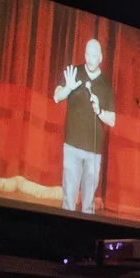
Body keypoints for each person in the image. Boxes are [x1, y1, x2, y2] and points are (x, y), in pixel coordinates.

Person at [52, 36, 116, 214]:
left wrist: (99, 111)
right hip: (72, 146)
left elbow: (112, 120)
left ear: (101, 58)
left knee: (88, 206)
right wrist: (69, 88)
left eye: (94, 55)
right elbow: (57, 97)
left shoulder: (106, 86)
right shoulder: (74, 72)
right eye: (87, 54)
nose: (90, 59)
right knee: (68, 202)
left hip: (94, 152)